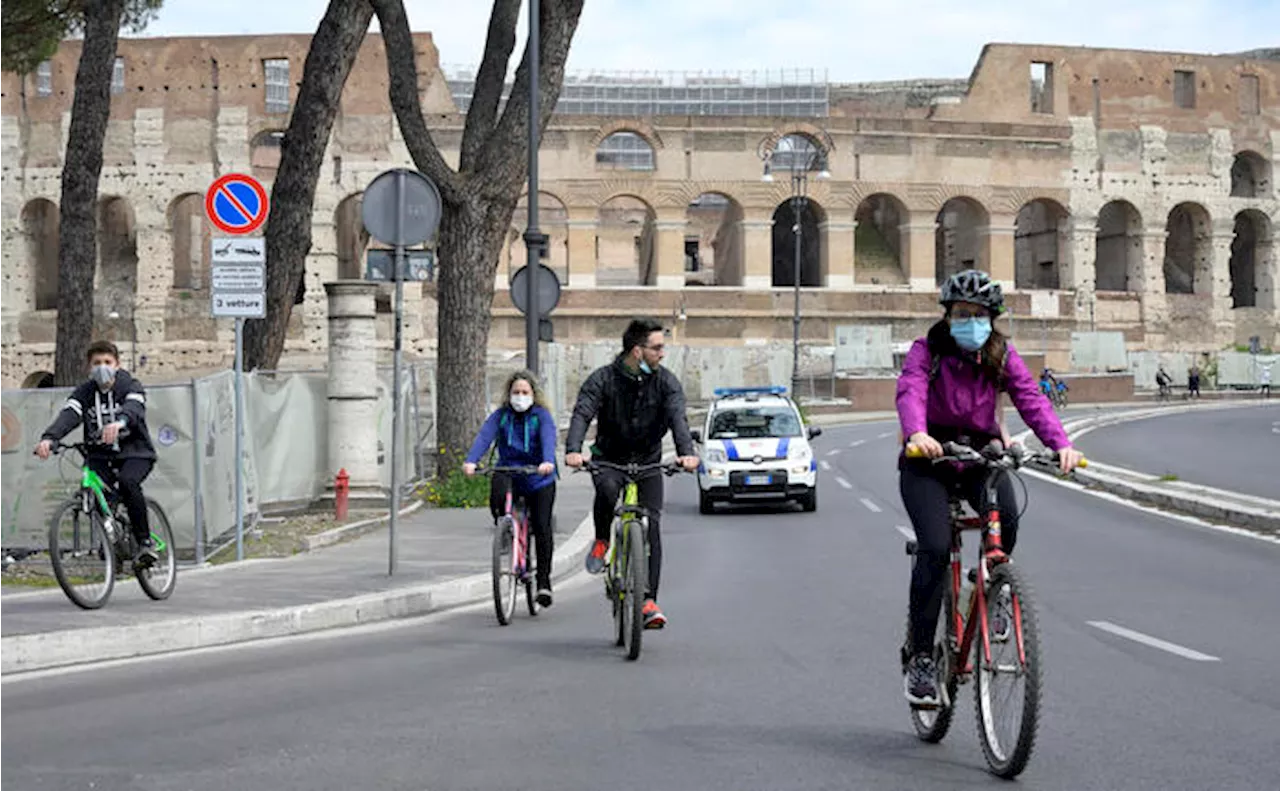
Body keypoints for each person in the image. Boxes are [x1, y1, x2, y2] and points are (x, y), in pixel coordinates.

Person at [896, 270, 1083, 707]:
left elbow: (1031, 399)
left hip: (980, 456)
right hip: (930, 458)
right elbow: (910, 390)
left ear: (992, 319)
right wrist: (916, 434)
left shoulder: (1000, 354)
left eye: (980, 315)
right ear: (948, 315)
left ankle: (993, 584)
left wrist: (1061, 444)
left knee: (1008, 516)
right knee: (936, 548)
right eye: (962, 314)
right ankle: (922, 658)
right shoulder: (928, 351)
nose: (971, 322)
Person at [564, 317, 700, 629]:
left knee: (651, 524)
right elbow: (583, 411)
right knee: (608, 492)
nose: (662, 354)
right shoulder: (603, 379)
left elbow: (678, 418)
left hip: (649, 460)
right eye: (657, 348)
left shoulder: (667, 382)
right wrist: (573, 449)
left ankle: (649, 599)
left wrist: (686, 454)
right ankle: (601, 541)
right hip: (610, 458)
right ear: (638, 351)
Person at [34, 341, 159, 565]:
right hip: (100, 454)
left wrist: (120, 422)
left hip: (135, 452)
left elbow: (135, 408)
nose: (102, 367)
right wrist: (50, 438)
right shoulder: (85, 392)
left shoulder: (129, 385)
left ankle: (144, 542)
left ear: (117, 364)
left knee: (128, 483)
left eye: (107, 362)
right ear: (88, 367)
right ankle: (112, 543)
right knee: (97, 493)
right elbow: (69, 415)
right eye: (97, 363)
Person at [463, 370, 559, 607]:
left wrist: (547, 461)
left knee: (542, 526)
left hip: (538, 476)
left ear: (533, 395)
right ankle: (505, 529)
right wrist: (472, 460)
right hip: (510, 471)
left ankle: (544, 582)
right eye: (516, 392)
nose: (520, 396)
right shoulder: (501, 416)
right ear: (509, 394)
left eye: (525, 392)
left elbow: (549, 438)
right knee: (497, 494)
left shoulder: (541, 416)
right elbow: (485, 436)